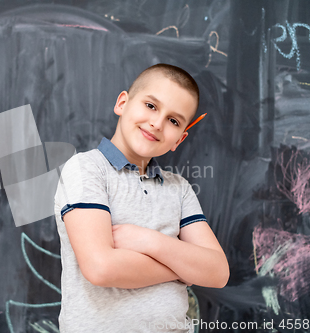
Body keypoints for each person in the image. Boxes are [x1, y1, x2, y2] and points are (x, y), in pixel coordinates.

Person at [53, 63, 229, 333]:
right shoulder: (86, 168)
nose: (157, 123)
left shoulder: (179, 189)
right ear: (122, 103)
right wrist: (183, 269)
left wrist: (147, 240)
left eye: (173, 121)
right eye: (151, 106)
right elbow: (101, 268)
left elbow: (217, 272)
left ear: (179, 140)